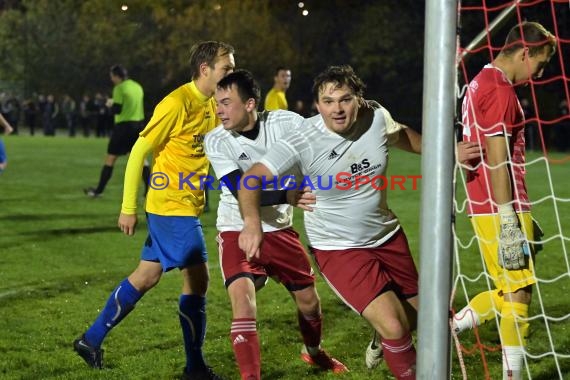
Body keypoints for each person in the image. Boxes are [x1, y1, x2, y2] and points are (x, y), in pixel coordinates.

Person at [236, 64, 422, 379]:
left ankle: (380, 330)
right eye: (328, 101)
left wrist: (450, 150)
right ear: (317, 105)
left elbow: (402, 134)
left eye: (345, 99)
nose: (337, 109)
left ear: (360, 100)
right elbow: (250, 180)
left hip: (388, 236)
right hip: (338, 248)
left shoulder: (376, 117)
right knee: (395, 325)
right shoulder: (303, 138)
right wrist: (252, 223)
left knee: (420, 320)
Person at [73, 41, 236, 380]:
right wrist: (127, 208)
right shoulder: (177, 103)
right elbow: (138, 152)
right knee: (199, 282)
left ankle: (90, 340)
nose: (231, 74)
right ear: (205, 69)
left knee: (146, 276)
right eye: (227, 68)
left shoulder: (211, 104)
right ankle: (194, 368)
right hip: (169, 207)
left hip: (183, 207)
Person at [204, 70, 348, 379]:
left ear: (251, 103)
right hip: (237, 228)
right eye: (217, 103)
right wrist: (288, 193)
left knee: (309, 304)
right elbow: (240, 188)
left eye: (226, 103)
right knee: (243, 307)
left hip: (281, 231)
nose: (219, 110)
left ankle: (313, 352)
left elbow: (322, 149)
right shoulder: (216, 139)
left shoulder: (287, 123)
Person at [454, 21, 556, 380]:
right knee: (519, 294)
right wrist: (509, 216)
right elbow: (498, 158)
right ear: (525, 52)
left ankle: (456, 323)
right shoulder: (499, 90)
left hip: (484, 204)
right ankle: (511, 374)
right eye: (540, 64)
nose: (539, 73)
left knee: (511, 287)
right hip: (498, 205)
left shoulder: (479, 80)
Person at [84, 65, 149, 197]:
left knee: (110, 158)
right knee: (141, 160)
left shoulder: (119, 88)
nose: (111, 79)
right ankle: (150, 190)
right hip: (138, 126)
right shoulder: (137, 86)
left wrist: (109, 105)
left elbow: (117, 110)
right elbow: (130, 104)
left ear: (116, 76)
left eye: (112, 76)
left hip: (123, 128)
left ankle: (98, 190)